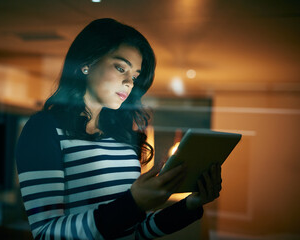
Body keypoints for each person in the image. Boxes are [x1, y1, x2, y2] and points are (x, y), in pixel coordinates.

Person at [15, 18, 222, 240]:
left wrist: (189, 206)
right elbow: (46, 234)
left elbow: (134, 231)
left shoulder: (122, 136)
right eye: (120, 67)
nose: (129, 82)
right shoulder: (43, 129)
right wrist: (133, 204)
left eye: (134, 75)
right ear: (87, 62)